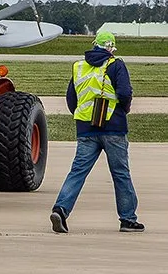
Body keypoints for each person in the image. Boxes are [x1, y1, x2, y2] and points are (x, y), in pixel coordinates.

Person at [51, 31, 143, 233]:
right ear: (110, 48)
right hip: (113, 126)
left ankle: (61, 209)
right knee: (120, 174)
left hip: (85, 129)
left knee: (77, 172)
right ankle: (128, 219)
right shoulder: (116, 64)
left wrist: (83, 115)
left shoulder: (79, 67)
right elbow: (125, 93)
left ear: (94, 45)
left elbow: (71, 99)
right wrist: (123, 110)